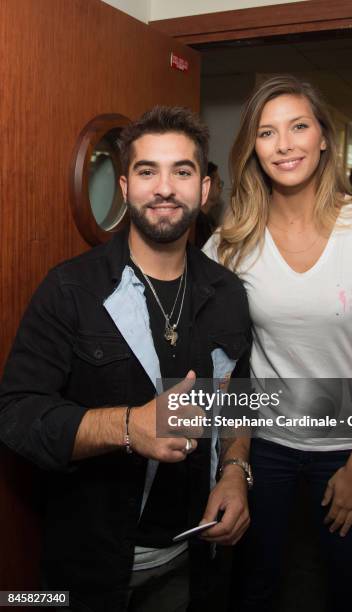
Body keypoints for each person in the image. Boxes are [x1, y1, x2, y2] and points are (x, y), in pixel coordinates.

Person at [0, 106, 252, 612]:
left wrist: (235, 471)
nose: (164, 187)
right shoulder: (71, 289)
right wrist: (127, 427)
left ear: (204, 190)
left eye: (182, 171)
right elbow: (16, 415)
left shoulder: (227, 292)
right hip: (92, 565)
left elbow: (236, 401)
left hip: (191, 556)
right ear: (123, 186)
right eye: (146, 171)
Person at [203, 75, 352, 612]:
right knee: (252, 588)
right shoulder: (229, 242)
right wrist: (230, 459)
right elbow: (226, 365)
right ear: (253, 148)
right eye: (267, 133)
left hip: (350, 442)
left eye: (299, 126)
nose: (285, 144)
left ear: (323, 137)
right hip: (262, 445)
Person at [194, 162, 225, 248]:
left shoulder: (210, 221)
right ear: (206, 186)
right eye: (218, 184)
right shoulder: (195, 224)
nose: (221, 188)